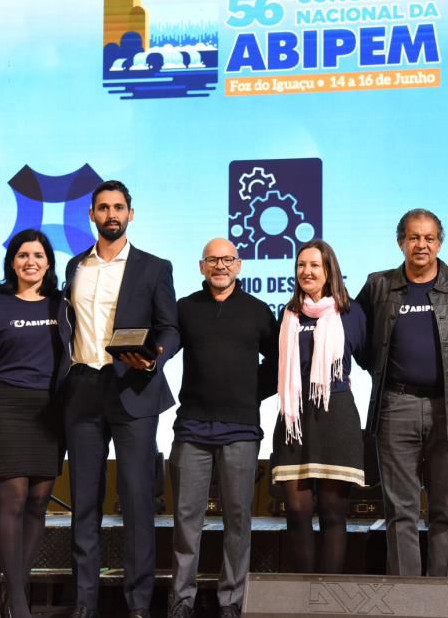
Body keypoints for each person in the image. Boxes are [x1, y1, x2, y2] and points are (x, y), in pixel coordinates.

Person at [63, 179, 179, 618]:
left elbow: (170, 327)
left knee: (136, 504)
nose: (111, 214)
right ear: (91, 215)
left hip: (134, 389)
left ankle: (138, 607)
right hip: (83, 391)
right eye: (103, 208)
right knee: (84, 505)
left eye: (119, 207)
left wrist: (154, 357)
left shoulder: (154, 267)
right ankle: (84, 605)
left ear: (131, 213)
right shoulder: (75, 266)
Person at [356, 209, 448, 577]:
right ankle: (409, 601)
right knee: (400, 512)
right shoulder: (378, 286)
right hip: (396, 406)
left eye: (429, 238)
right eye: (414, 237)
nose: (421, 245)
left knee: (447, 511)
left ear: (440, 243)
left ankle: (440, 602)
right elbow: (360, 339)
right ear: (401, 242)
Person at [168, 238, 279, 618]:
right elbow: (161, 351)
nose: (220, 266)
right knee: (186, 521)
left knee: (238, 520)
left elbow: (281, 363)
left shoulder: (258, 311)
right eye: (213, 260)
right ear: (201, 267)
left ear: (239, 265)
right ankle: (182, 599)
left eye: (227, 260)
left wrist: (251, 394)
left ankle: (231, 600)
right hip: (191, 429)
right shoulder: (184, 309)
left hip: (241, 430)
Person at [0, 229, 70, 618]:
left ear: (48, 262)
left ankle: (14, 591)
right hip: (5, 406)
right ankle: (20, 601)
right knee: (13, 500)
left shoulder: (61, 305)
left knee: (38, 504)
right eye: (23, 255)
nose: (31, 262)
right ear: (12, 262)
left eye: (38, 255)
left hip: (50, 411)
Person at [271, 239, 368, 574]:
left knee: (332, 514)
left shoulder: (351, 313)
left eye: (314, 265)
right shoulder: (288, 314)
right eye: (301, 265)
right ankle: (302, 599)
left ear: (329, 271)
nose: (306, 271)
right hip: (295, 418)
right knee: (297, 514)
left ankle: (328, 598)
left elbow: (370, 357)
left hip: (336, 416)